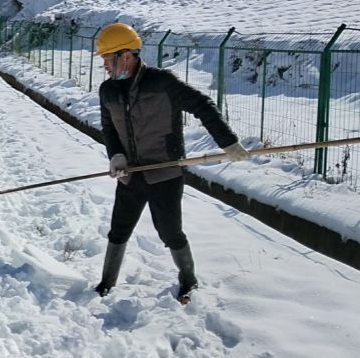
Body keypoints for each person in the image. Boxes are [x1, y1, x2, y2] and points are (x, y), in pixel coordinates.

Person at [95, 22, 250, 301]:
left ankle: (188, 280)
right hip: (130, 175)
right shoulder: (108, 91)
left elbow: (203, 105)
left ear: (126, 56)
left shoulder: (163, 83)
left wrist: (227, 142)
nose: (105, 65)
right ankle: (106, 283)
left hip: (164, 174)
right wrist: (116, 156)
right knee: (118, 230)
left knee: (170, 232)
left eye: (107, 58)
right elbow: (109, 129)